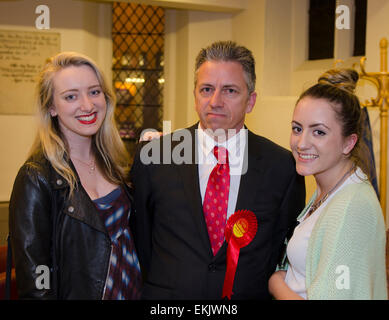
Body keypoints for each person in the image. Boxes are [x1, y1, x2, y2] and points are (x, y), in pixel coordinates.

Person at [130, 41, 306, 300]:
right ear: (195, 95)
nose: (215, 101)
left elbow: (280, 250)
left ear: (251, 101)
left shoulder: (282, 167)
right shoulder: (155, 156)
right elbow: (141, 240)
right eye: (206, 89)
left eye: (230, 91)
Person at [9, 52, 142, 299]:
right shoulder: (36, 177)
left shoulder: (117, 163)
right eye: (71, 96)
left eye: (94, 92)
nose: (88, 105)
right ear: (51, 107)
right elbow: (36, 280)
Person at [268, 69, 388, 300]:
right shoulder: (330, 188)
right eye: (297, 128)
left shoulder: (351, 207)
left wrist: (276, 284)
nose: (302, 143)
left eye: (319, 132)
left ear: (348, 142)